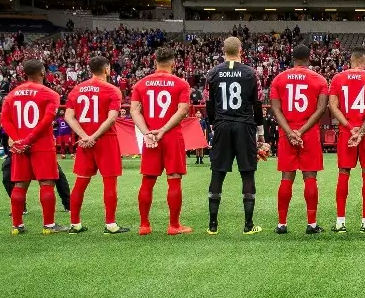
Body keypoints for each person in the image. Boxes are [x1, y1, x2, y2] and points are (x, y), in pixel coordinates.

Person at [205, 36, 266, 235]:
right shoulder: (250, 73)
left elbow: (209, 104)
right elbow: (257, 104)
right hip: (244, 125)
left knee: (218, 172)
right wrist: (260, 132)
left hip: (222, 124)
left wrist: (215, 124)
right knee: (247, 172)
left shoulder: (213, 73)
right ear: (241, 50)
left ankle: (213, 225)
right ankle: (248, 225)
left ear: (224, 51)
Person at [0, 59, 68, 234]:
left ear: (24, 73)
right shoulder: (50, 94)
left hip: (19, 146)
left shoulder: (11, 95)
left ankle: (17, 226)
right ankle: (49, 226)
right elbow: (46, 122)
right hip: (41, 144)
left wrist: (18, 140)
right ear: (43, 72)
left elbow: (5, 121)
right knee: (46, 183)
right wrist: (29, 139)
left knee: (20, 184)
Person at [64, 56, 129, 235]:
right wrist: (94, 136)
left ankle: (75, 224)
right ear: (107, 69)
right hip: (106, 140)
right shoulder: (112, 90)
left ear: (90, 69)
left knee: (80, 183)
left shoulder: (77, 89)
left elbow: (68, 116)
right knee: (109, 183)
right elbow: (112, 117)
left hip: (84, 142)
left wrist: (85, 136)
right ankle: (110, 225)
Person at [131, 47, 192, 236]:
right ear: (174, 63)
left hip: (150, 137)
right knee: (174, 180)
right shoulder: (181, 84)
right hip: (171, 136)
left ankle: (144, 225)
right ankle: (174, 226)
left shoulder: (141, 84)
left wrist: (147, 132)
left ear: (154, 61)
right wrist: (163, 130)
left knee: (147, 181)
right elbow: (182, 111)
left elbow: (134, 111)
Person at [269, 44, 328, 234]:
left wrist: (289, 132)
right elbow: (320, 110)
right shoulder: (319, 80)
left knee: (286, 177)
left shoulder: (279, 79)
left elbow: (276, 109)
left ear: (292, 58)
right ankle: (311, 224)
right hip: (309, 134)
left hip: (287, 134)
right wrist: (301, 132)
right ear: (309, 58)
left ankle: (282, 224)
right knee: (310, 177)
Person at [328, 47, 365, 233]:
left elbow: (333, 107)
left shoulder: (337, 78)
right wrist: (362, 130)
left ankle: (340, 222)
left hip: (346, 132)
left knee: (344, 172)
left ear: (350, 61)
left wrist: (351, 128)